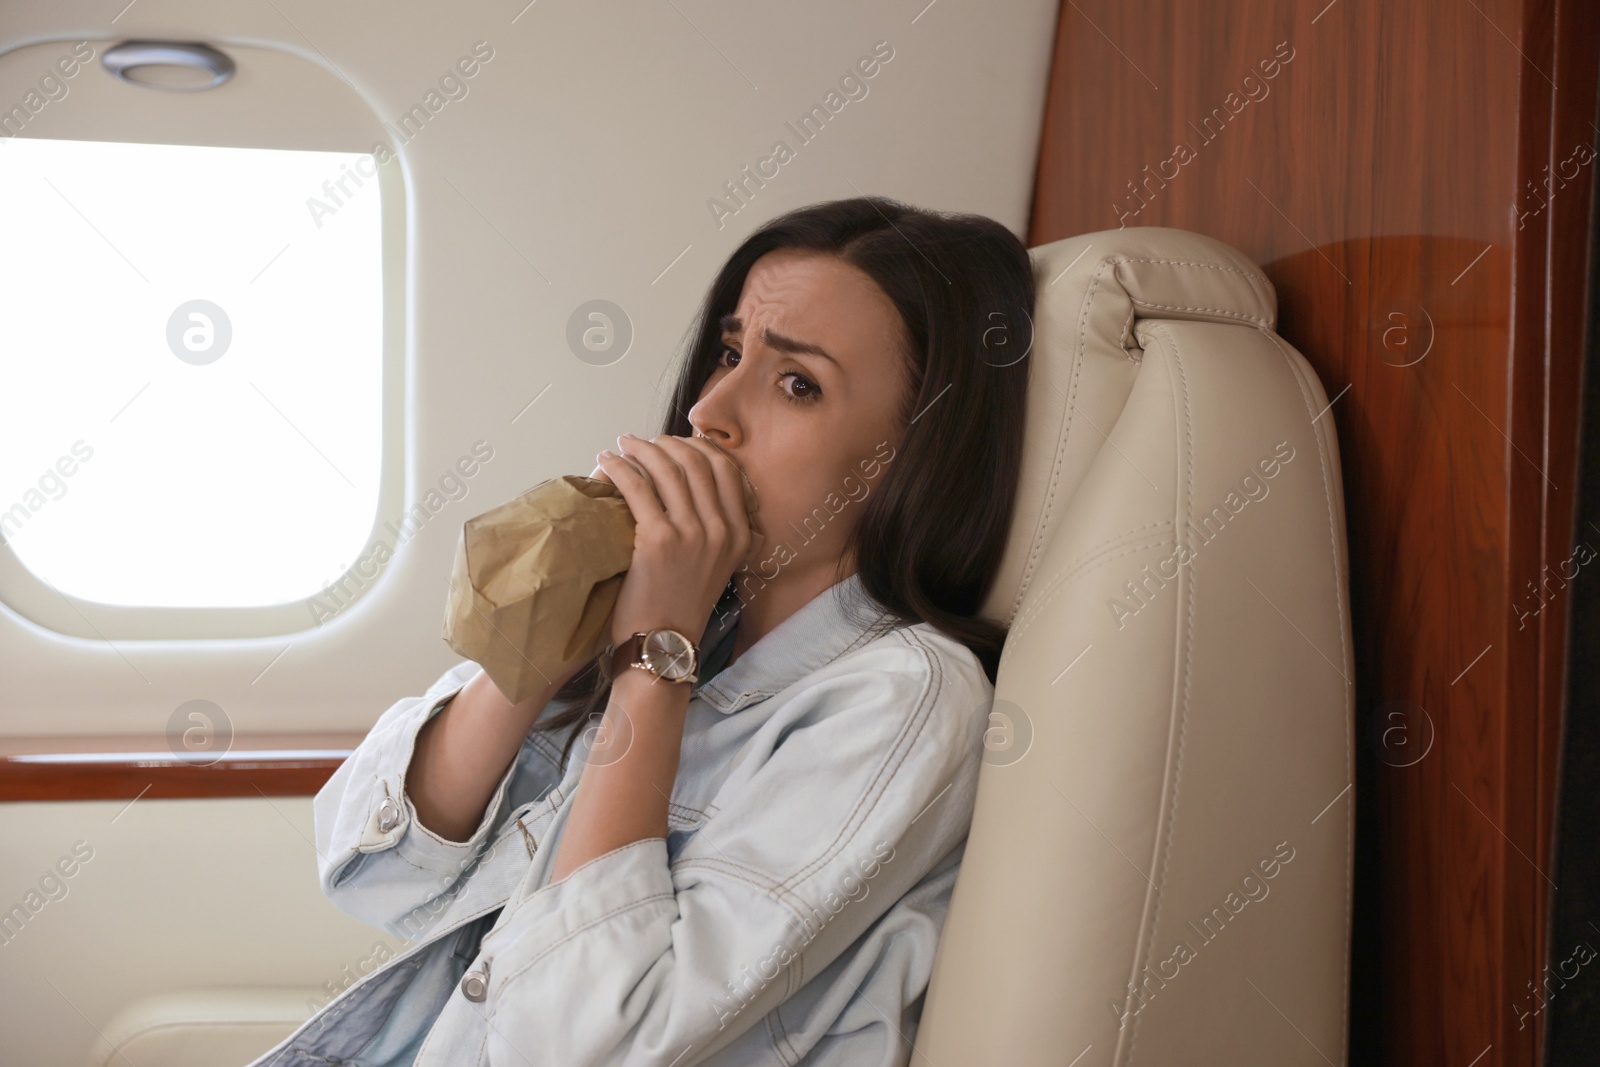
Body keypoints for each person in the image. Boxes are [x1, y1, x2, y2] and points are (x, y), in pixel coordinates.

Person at [245, 195, 1034, 1067]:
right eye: (730, 354)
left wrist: (655, 659)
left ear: (904, 458)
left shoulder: (903, 697)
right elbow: (370, 867)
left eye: (797, 383)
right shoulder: (691, 618)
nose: (710, 413)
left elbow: (578, 1044)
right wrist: (558, 621)